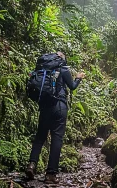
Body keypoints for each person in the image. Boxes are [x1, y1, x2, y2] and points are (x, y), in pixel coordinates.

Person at [25, 52, 85, 184]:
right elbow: (72, 87)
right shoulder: (63, 69)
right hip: (59, 106)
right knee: (56, 138)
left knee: (40, 137)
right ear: (62, 60)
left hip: (45, 107)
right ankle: (51, 174)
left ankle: (31, 165)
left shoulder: (42, 69)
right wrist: (78, 77)